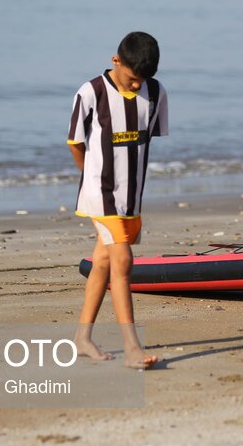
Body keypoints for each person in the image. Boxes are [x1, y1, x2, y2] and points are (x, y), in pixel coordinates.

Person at [67, 32, 168, 369]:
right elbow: (74, 143)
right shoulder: (91, 93)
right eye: (131, 78)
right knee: (123, 262)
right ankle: (132, 347)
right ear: (116, 61)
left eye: (143, 80)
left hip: (131, 197)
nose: (137, 86)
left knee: (104, 262)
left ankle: (82, 337)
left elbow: (143, 142)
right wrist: (92, 180)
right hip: (100, 195)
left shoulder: (156, 93)